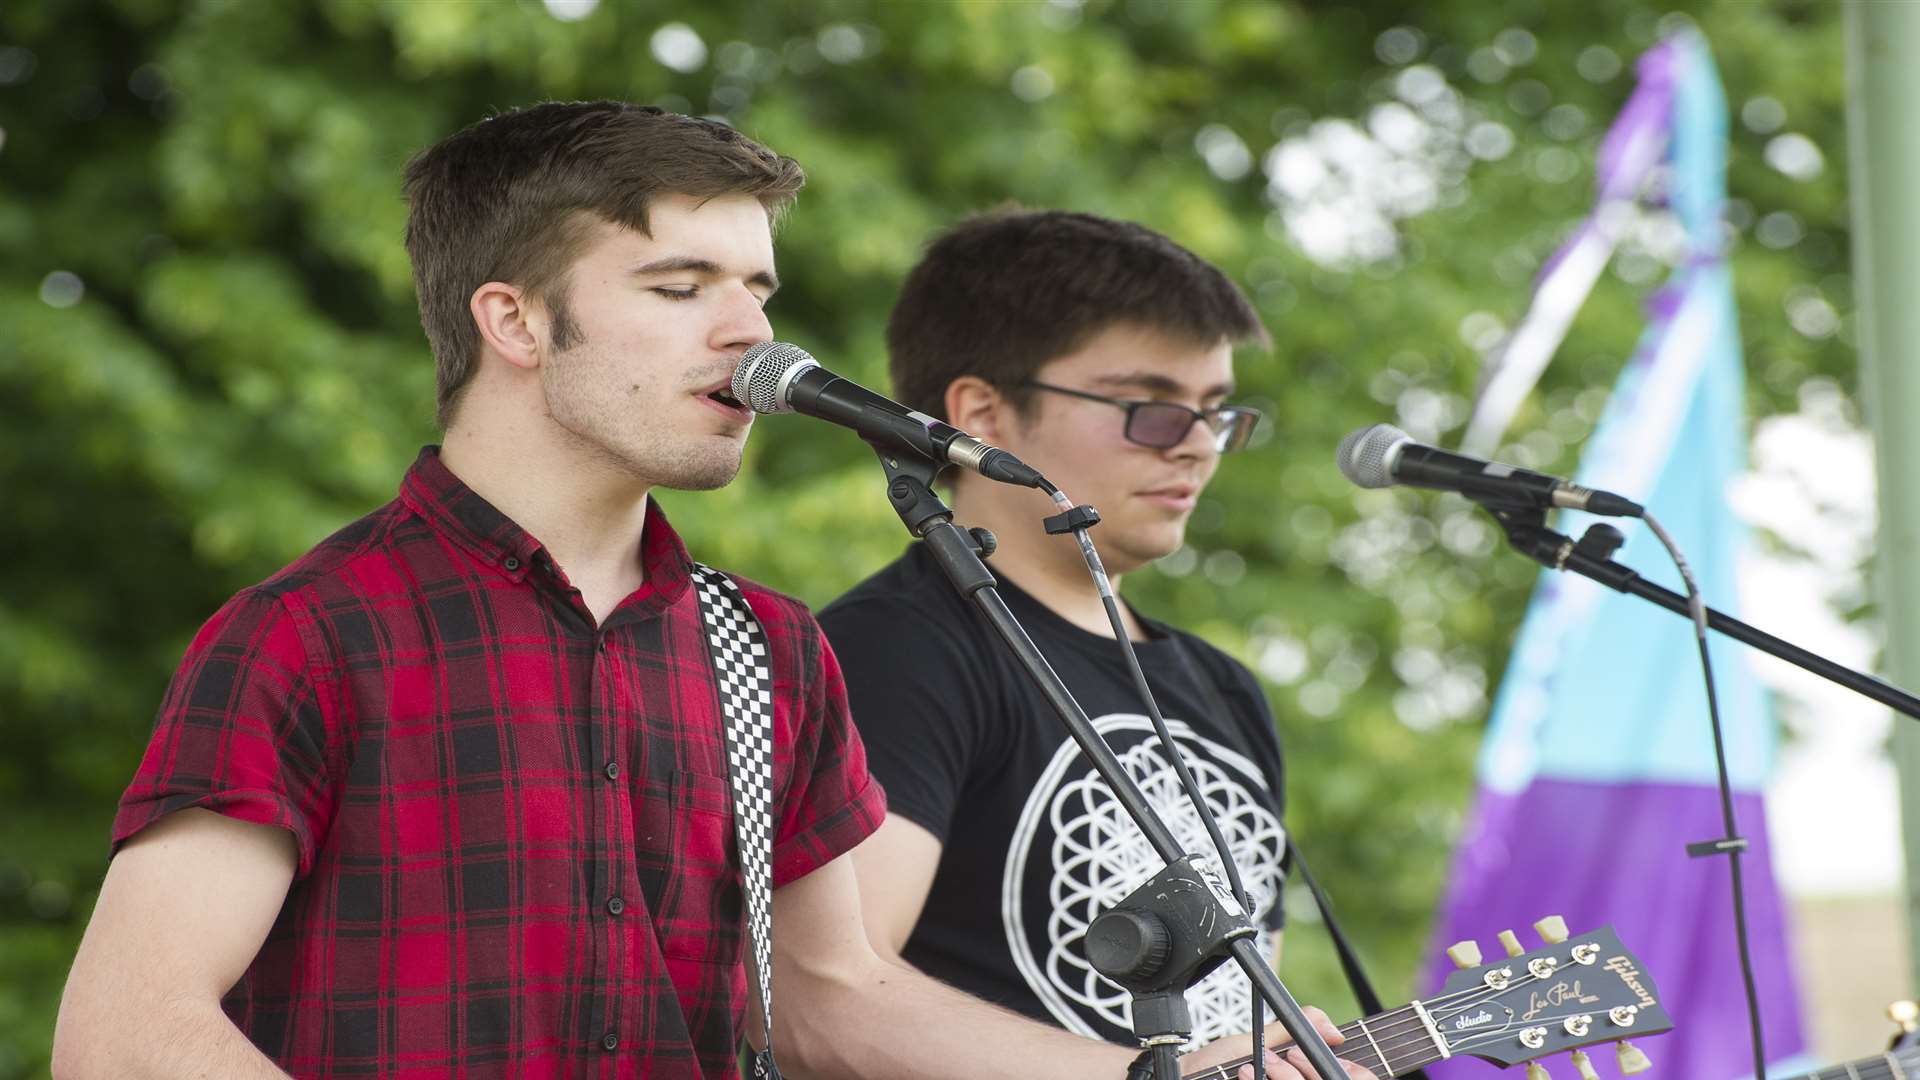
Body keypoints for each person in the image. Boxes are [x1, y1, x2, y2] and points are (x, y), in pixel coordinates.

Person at [48, 104, 1366, 1080]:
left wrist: (1167, 1071)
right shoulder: (316, 630)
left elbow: (835, 997)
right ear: (515, 323)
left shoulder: (769, 650)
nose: (750, 336)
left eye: (757, 289)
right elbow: (129, 1031)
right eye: (682, 289)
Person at [820, 209, 1296, 1049]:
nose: (1196, 448)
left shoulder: (1227, 691)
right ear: (984, 415)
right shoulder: (897, 651)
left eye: (1217, 412)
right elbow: (827, 1004)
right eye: (1151, 408)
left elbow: (1242, 1022)